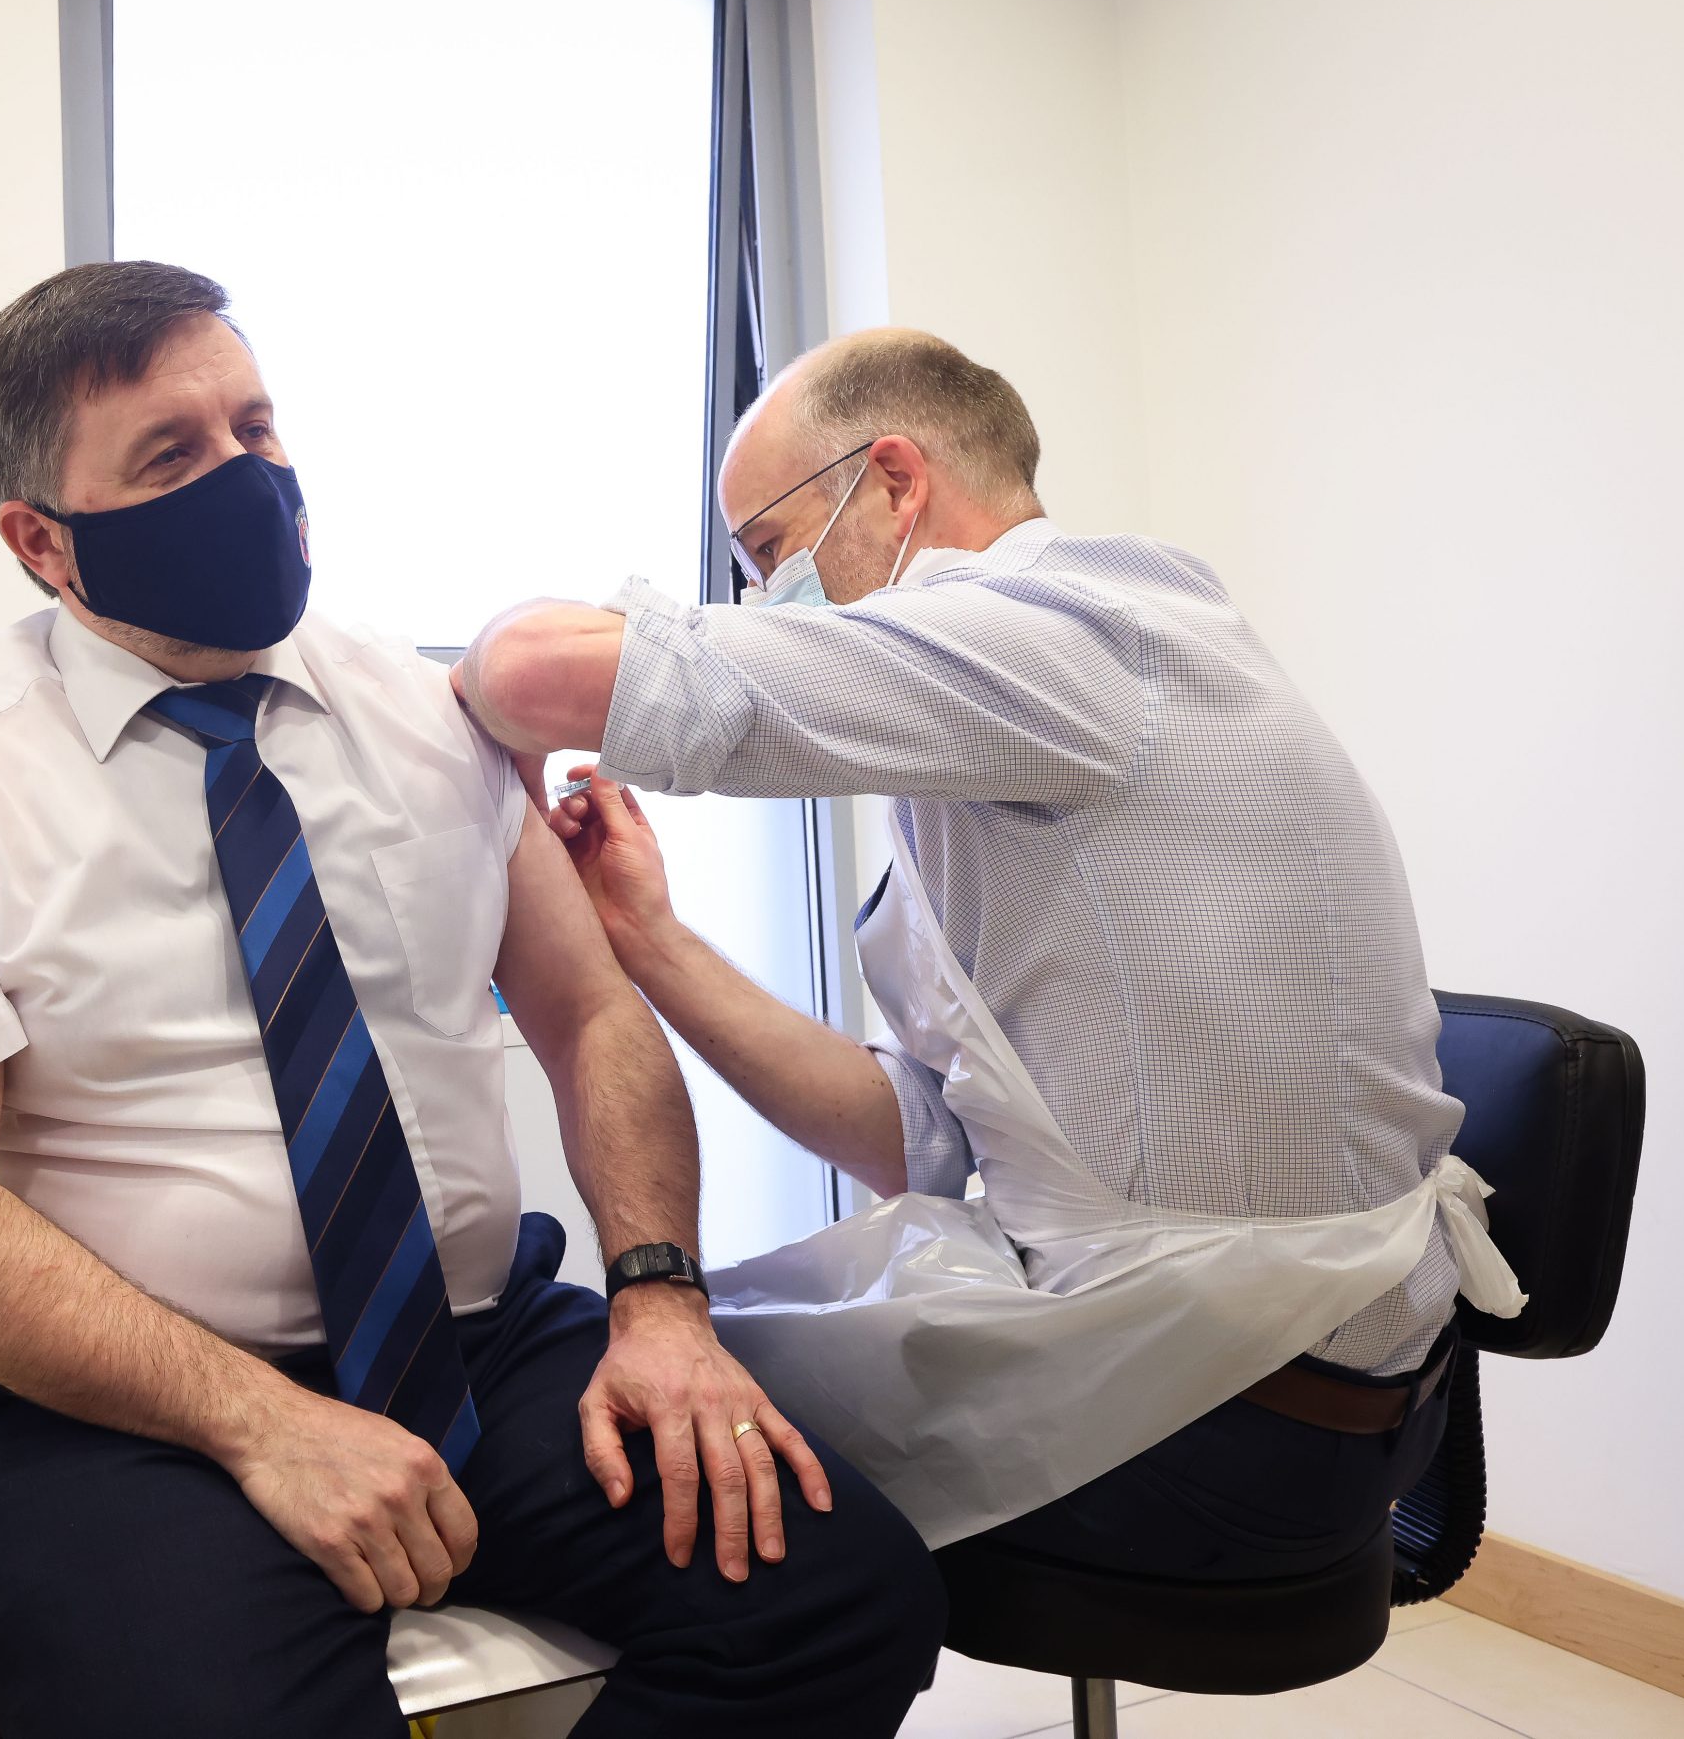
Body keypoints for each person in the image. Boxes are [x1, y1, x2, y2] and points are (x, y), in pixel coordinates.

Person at [0, 264, 945, 1739]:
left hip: (479, 1344)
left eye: (257, 425)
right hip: (132, 1416)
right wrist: (257, 1419)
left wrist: (661, 1297)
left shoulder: (434, 713)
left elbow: (591, 1015)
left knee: (838, 1593)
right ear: (41, 542)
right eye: (173, 455)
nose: (249, 476)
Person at [452, 325, 1471, 1581]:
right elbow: (925, 1146)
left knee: (603, 1438)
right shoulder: (1009, 727)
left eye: (767, 552)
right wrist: (649, 942)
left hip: (1245, 1400)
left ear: (893, 481)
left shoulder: (1065, 631)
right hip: (1211, 1339)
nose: (767, 598)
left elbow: (526, 666)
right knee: (629, 1372)